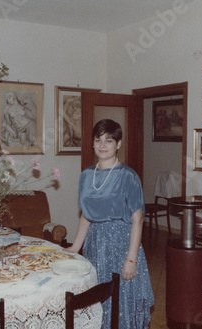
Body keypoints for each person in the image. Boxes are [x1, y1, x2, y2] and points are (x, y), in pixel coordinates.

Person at [64, 119, 154, 328]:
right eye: (98, 140)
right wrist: (76, 247)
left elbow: (137, 219)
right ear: (93, 144)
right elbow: (86, 215)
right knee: (98, 298)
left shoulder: (128, 176)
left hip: (122, 244)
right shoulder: (86, 176)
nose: (102, 145)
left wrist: (131, 260)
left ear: (118, 144)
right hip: (95, 246)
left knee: (121, 299)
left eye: (109, 140)